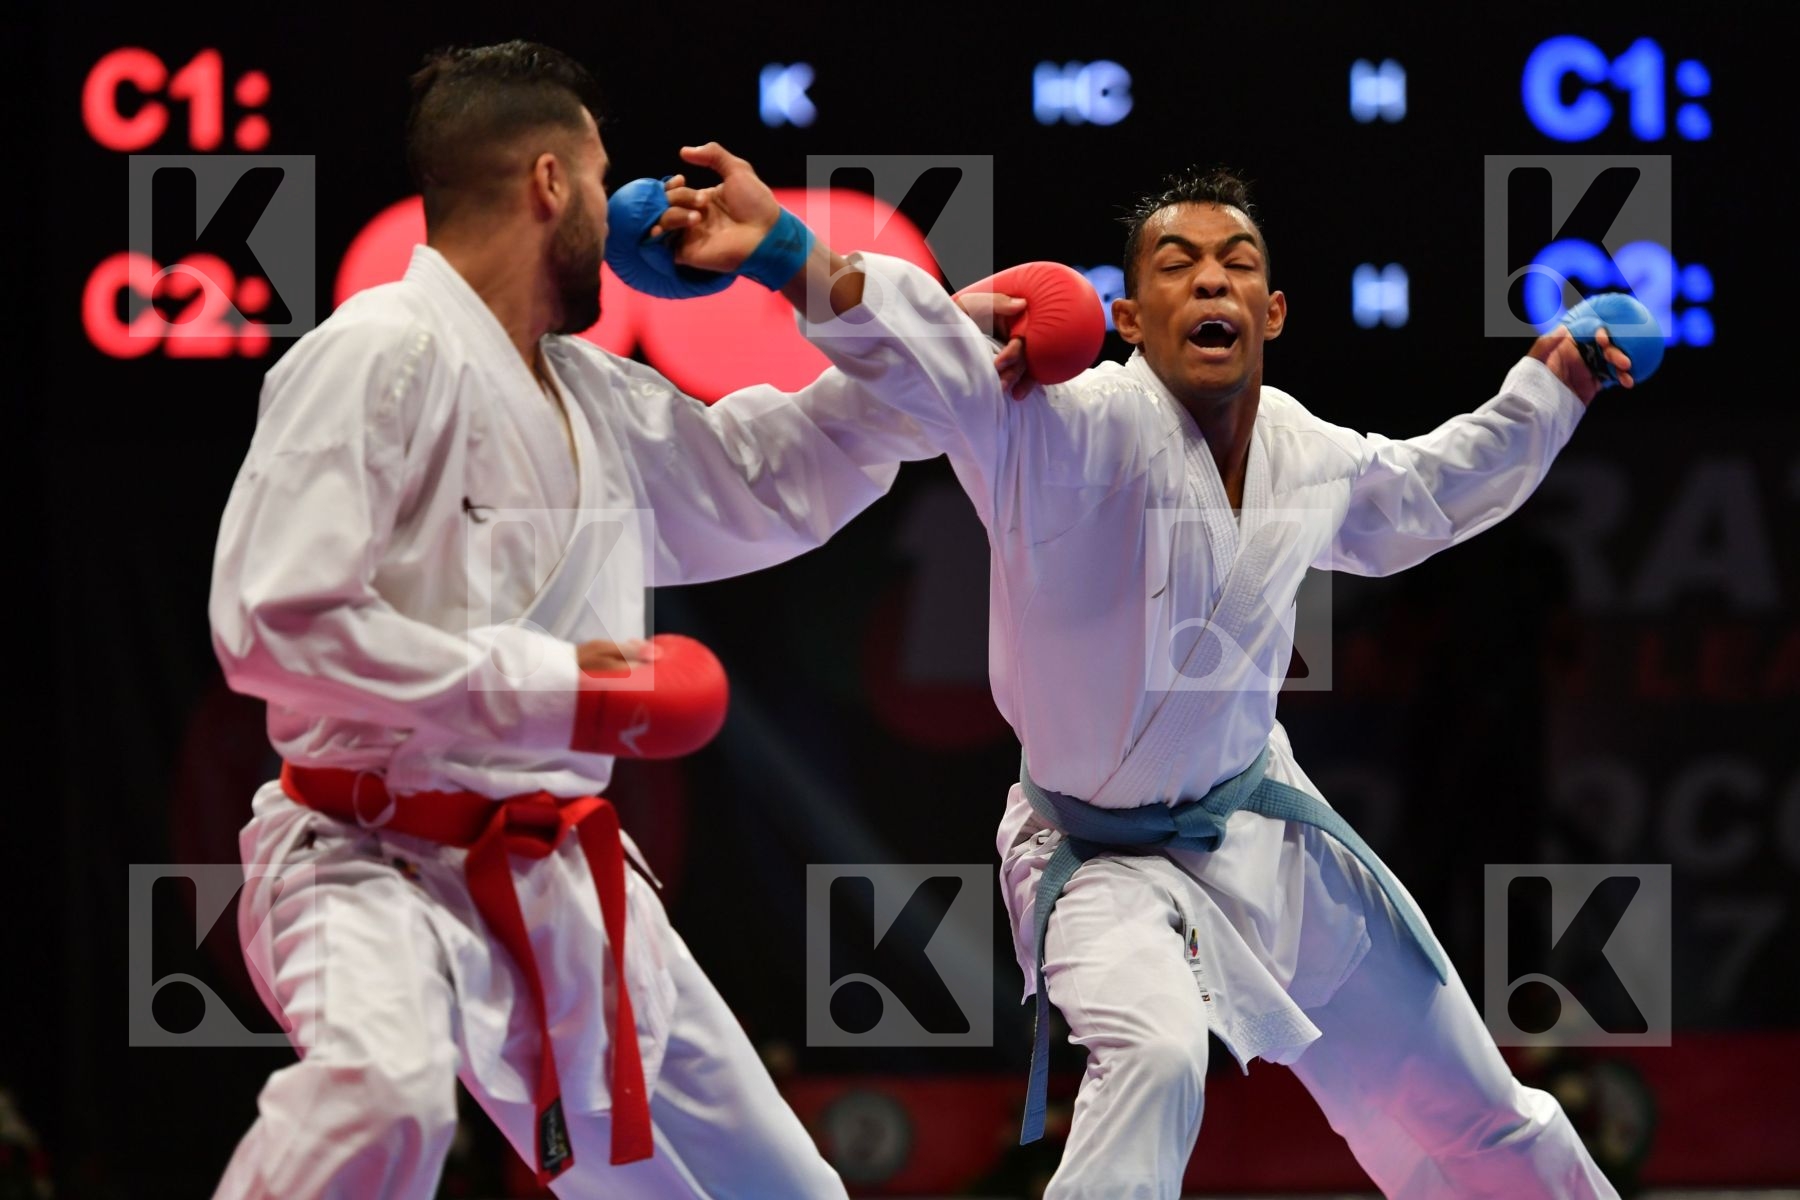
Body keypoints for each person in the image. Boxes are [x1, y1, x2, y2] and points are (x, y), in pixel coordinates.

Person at [206, 40, 981, 1200]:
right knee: (382, 1100)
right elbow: (271, 622)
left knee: (783, 1191)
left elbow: (802, 465)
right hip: (369, 856)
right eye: (605, 171)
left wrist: (800, 263)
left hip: (559, 865)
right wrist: (556, 686)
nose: (630, 213)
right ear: (552, 185)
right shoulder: (373, 353)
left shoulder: (590, 392)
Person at [841, 168, 1635, 1197]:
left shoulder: (1303, 450)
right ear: (1127, 313)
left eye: (1238, 265)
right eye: (1177, 265)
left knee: (1469, 1103)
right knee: (1160, 1057)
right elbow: (922, 373)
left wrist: (1551, 387)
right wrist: (800, 263)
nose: (1210, 281)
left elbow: (1429, 494)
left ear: (1272, 312)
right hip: (1097, 860)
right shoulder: (1053, 423)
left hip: (1266, 836)